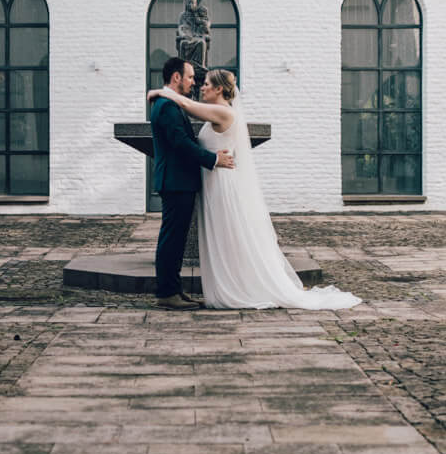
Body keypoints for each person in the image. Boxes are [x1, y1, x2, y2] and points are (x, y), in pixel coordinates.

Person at [147, 69, 361, 311]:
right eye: (199, 82)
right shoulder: (217, 112)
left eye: (206, 84)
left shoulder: (223, 111)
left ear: (219, 89)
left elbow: (186, 104)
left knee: (229, 238)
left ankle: (237, 288)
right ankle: (223, 285)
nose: (201, 86)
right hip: (212, 182)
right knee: (222, 238)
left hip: (221, 185)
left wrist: (158, 92)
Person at [149, 57, 234, 310]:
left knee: (176, 238)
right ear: (176, 78)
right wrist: (213, 159)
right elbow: (180, 143)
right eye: (189, 77)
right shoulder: (166, 106)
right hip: (175, 182)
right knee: (172, 239)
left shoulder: (167, 103)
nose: (193, 82)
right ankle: (167, 293)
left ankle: (174, 289)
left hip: (179, 181)